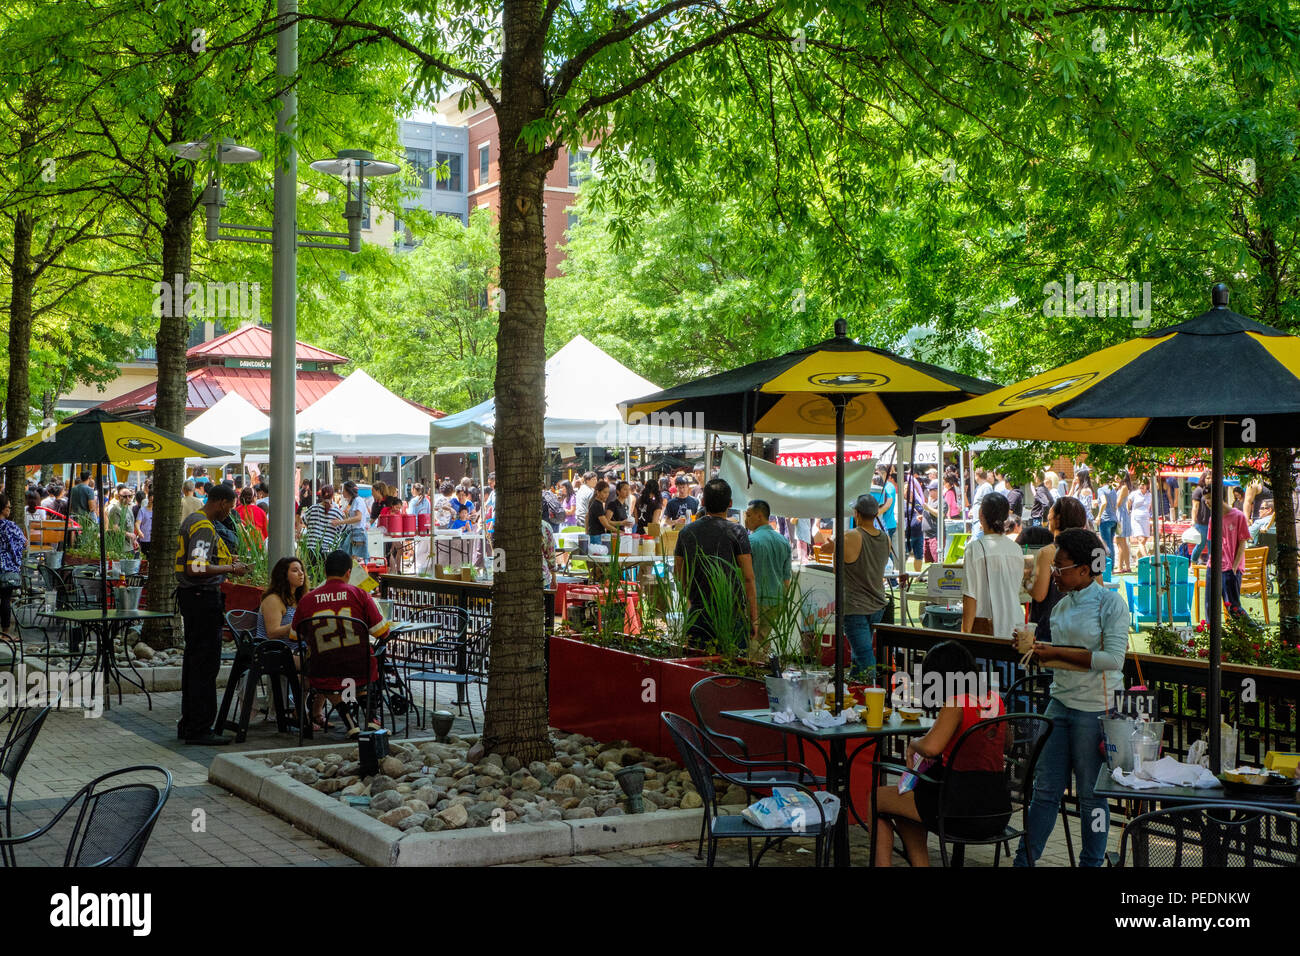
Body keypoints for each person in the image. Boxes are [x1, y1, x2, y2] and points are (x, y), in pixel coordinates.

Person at [1015, 528, 1129, 867]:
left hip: (1095, 710)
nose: (1054, 574)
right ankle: (1025, 861)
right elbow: (1059, 660)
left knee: (1092, 796)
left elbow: (1113, 659)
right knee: (1045, 791)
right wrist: (1035, 653)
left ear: (1084, 569)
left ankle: (1091, 863)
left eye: (1060, 567)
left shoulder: (1111, 604)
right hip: (1059, 702)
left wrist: (1059, 651)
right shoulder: (1061, 607)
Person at [872, 640, 1008, 867]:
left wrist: (914, 744)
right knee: (906, 803)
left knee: (876, 798)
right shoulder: (995, 699)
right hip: (997, 809)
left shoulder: (956, 703)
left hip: (958, 810)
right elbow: (1004, 742)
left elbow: (931, 747)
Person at [175, 482, 250, 745]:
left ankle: (189, 723)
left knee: (194, 662)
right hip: (202, 598)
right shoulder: (204, 526)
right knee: (205, 665)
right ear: (221, 502)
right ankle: (199, 727)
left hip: (192, 598)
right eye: (230, 507)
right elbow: (195, 568)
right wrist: (229, 568)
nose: (229, 512)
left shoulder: (192, 521)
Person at [294, 550, 390, 737]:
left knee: (328, 677)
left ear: (324, 572)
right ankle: (371, 719)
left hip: (322, 668)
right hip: (359, 666)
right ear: (348, 573)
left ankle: (350, 723)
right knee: (369, 666)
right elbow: (381, 632)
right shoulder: (360, 595)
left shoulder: (307, 600)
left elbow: (294, 635)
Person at [673, 478, 758, 650]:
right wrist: (754, 618)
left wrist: (692, 601)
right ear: (730, 504)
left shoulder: (686, 533)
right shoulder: (737, 531)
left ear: (703, 502)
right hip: (732, 614)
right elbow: (749, 578)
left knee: (699, 668)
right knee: (732, 670)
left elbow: (679, 575)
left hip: (698, 613)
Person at [823, 494, 892, 680]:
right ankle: (856, 687)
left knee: (864, 656)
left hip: (855, 606)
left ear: (857, 514)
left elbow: (837, 571)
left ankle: (873, 693)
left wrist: (833, 548)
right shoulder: (886, 538)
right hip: (877, 604)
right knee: (859, 654)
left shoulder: (850, 536)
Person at [1023, 496, 1089, 644]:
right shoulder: (1090, 550)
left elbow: (1039, 595)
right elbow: (1099, 590)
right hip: (1082, 629)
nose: (1048, 516)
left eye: (1050, 513)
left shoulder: (1048, 552)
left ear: (1058, 519)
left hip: (1050, 629)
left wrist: (1026, 579)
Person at [961, 493, 1023, 639]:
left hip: (988, 631)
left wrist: (964, 636)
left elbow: (970, 596)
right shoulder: (1016, 549)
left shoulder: (974, 549)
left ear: (981, 514)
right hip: (1015, 627)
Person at [743, 499, 792, 653]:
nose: (746, 519)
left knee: (752, 641)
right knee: (764, 639)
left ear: (759, 516)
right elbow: (786, 579)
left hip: (755, 600)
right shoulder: (783, 541)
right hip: (776, 600)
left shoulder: (750, 541)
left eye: (749, 515)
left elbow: (745, 575)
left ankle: (754, 671)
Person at [1208, 490, 1252, 619]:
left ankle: (1254, 631)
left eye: (1209, 498)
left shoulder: (1238, 516)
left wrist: (1234, 566)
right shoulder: (1213, 518)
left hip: (1231, 568)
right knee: (1210, 605)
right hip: (1214, 566)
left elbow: (1243, 542)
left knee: (1233, 607)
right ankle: (1210, 635)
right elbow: (1211, 542)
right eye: (1205, 499)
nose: (1207, 502)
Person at [0, 493, 27, 639]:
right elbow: (23, 543)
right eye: (8, 507)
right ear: (3, 509)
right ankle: (5, 633)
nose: (10, 509)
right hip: (7, 568)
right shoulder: (10, 526)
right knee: (5, 599)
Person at [302, 485, 346, 559]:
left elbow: (305, 521)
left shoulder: (312, 509)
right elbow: (343, 530)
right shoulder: (338, 513)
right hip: (329, 550)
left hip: (312, 548)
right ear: (332, 496)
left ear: (321, 495)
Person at [332, 481, 370, 558]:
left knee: (353, 558)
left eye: (344, 490)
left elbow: (358, 518)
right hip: (354, 532)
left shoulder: (358, 501)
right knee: (351, 558)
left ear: (348, 491)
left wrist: (340, 522)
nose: (342, 492)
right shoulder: (353, 501)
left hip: (358, 533)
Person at [104, 484, 138, 553]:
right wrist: (128, 534)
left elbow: (130, 524)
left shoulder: (128, 508)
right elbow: (114, 527)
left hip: (130, 546)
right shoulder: (116, 509)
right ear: (119, 497)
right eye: (125, 496)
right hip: (121, 547)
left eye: (130, 496)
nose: (128, 498)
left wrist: (134, 540)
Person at [1096, 472, 1120, 569]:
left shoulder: (1101, 490)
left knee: (1105, 544)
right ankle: (1112, 566)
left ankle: (1107, 567)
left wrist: (1098, 515)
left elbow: (1104, 502)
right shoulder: (1113, 490)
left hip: (1105, 520)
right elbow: (1115, 505)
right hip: (1114, 519)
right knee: (1111, 544)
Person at [1189, 469, 1211, 565]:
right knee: (1200, 545)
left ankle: (1211, 565)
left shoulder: (1215, 490)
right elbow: (1195, 507)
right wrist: (1193, 520)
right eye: (1208, 478)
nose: (1210, 480)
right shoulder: (1198, 490)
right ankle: (1193, 563)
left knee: (1212, 546)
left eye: (1211, 478)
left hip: (1212, 522)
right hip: (1201, 522)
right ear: (1203, 479)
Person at [1113, 472, 1132, 573]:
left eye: (1118, 476)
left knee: (1119, 541)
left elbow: (1118, 502)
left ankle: (1120, 567)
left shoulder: (1124, 488)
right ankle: (1127, 566)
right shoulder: (1121, 487)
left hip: (1120, 515)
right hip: (1121, 515)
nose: (1116, 477)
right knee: (1123, 542)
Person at [1128, 479, 1152, 559]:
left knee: (1144, 540)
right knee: (1141, 540)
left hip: (1146, 519)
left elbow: (1151, 507)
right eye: (1140, 484)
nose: (1141, 486)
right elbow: (1128, 504)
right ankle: (1146, 559)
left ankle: (1138, 557)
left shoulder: (1150, 495)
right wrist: (1127, 513)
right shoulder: (1134, 494)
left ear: (1147, 486)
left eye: (1143, 484)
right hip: (1136, 519)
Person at [922, 479, 941, 562]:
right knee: (930, 562)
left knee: (937, 561)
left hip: (935, 536)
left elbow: (940, 514)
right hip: (926, 536)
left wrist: (928, 508)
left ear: (937, 490)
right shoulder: (931, 501)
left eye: (931, 490)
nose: (929, 492)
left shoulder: (941, 501)